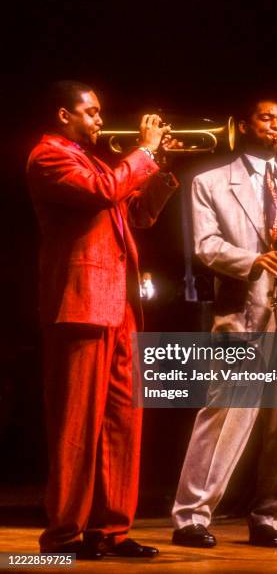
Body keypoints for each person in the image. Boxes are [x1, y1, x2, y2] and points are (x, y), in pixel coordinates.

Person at [26, 80, 178, 559]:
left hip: (119, 306)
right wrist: (143, 151)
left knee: (122, 423)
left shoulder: (93, 159)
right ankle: (63, 537)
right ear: (63, 114)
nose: (98, 119)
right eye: (90, 112)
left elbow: (140, 216)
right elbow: (104, 190)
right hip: (80, 304)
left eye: (98, 111)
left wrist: (159, 167)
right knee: (76, 427)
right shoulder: (48, 157)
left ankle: (109, 531)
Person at [171, 99, 277, 548]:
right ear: (244, 125)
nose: (276, 125)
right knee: (225, 417)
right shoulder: (210, 181)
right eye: (266, 117)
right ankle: (191, 517)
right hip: (245, 312)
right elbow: (205, 245)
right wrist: (254, 259)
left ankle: (268, 518)